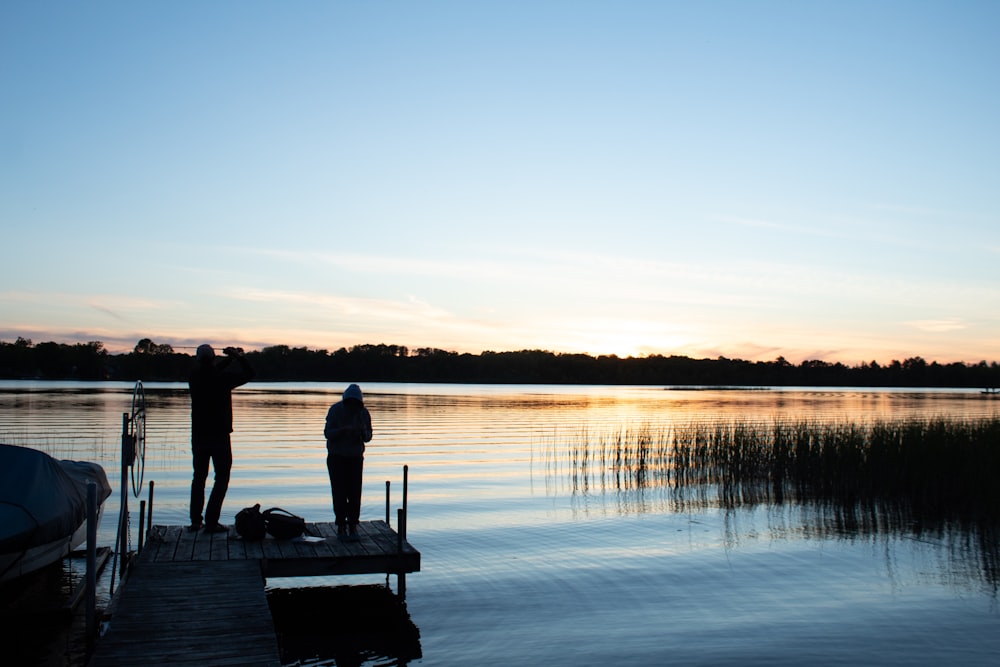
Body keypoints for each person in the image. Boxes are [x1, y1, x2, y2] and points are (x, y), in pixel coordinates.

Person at [188, 344, 254, 533]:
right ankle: (210, 521)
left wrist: (229, 359)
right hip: (219, 436)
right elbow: (250, 373)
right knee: (222, 478)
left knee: (199, 478)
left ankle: (195, 521)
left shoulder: (194, 376)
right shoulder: (222, 379)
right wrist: (238, 357)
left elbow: (210, 370)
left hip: (199, 436)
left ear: (198, 359)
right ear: (213, 358)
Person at [324, 383, 373, 540]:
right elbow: (328, 433)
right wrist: (342, 430)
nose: (353, 406)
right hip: (336, 458)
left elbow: (369, 436)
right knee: (339, 492)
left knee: (354, 492)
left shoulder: (363, 413)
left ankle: (353, 526)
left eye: (355, 402)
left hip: (355, 458)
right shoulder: (335, 410)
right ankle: (340, 526)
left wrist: (362, 432)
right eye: (350, 402)